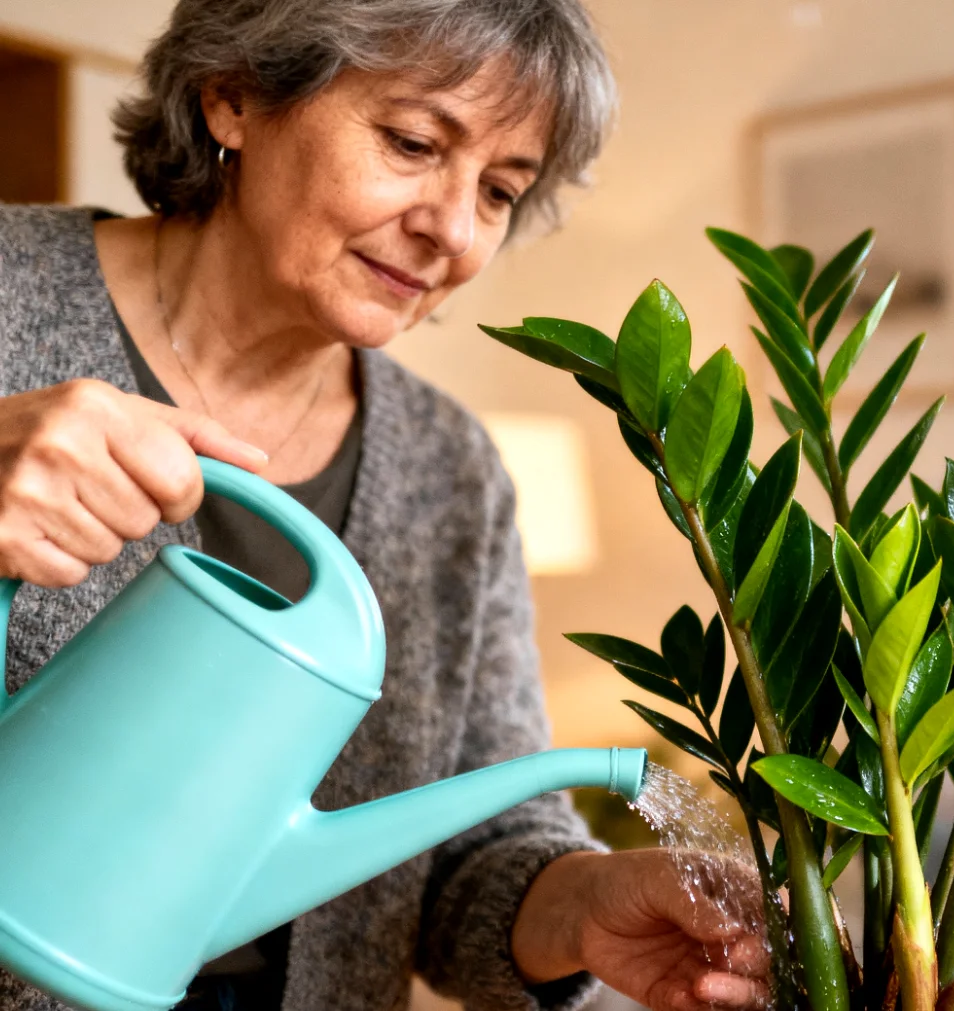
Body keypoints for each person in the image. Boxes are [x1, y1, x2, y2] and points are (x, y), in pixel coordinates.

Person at [0, 1, 768, 1010]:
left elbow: (470, 862)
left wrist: (588, 900)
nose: (452, 228)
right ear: (233, 95)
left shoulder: (455, 471)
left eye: (499, 190)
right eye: (412, 142)